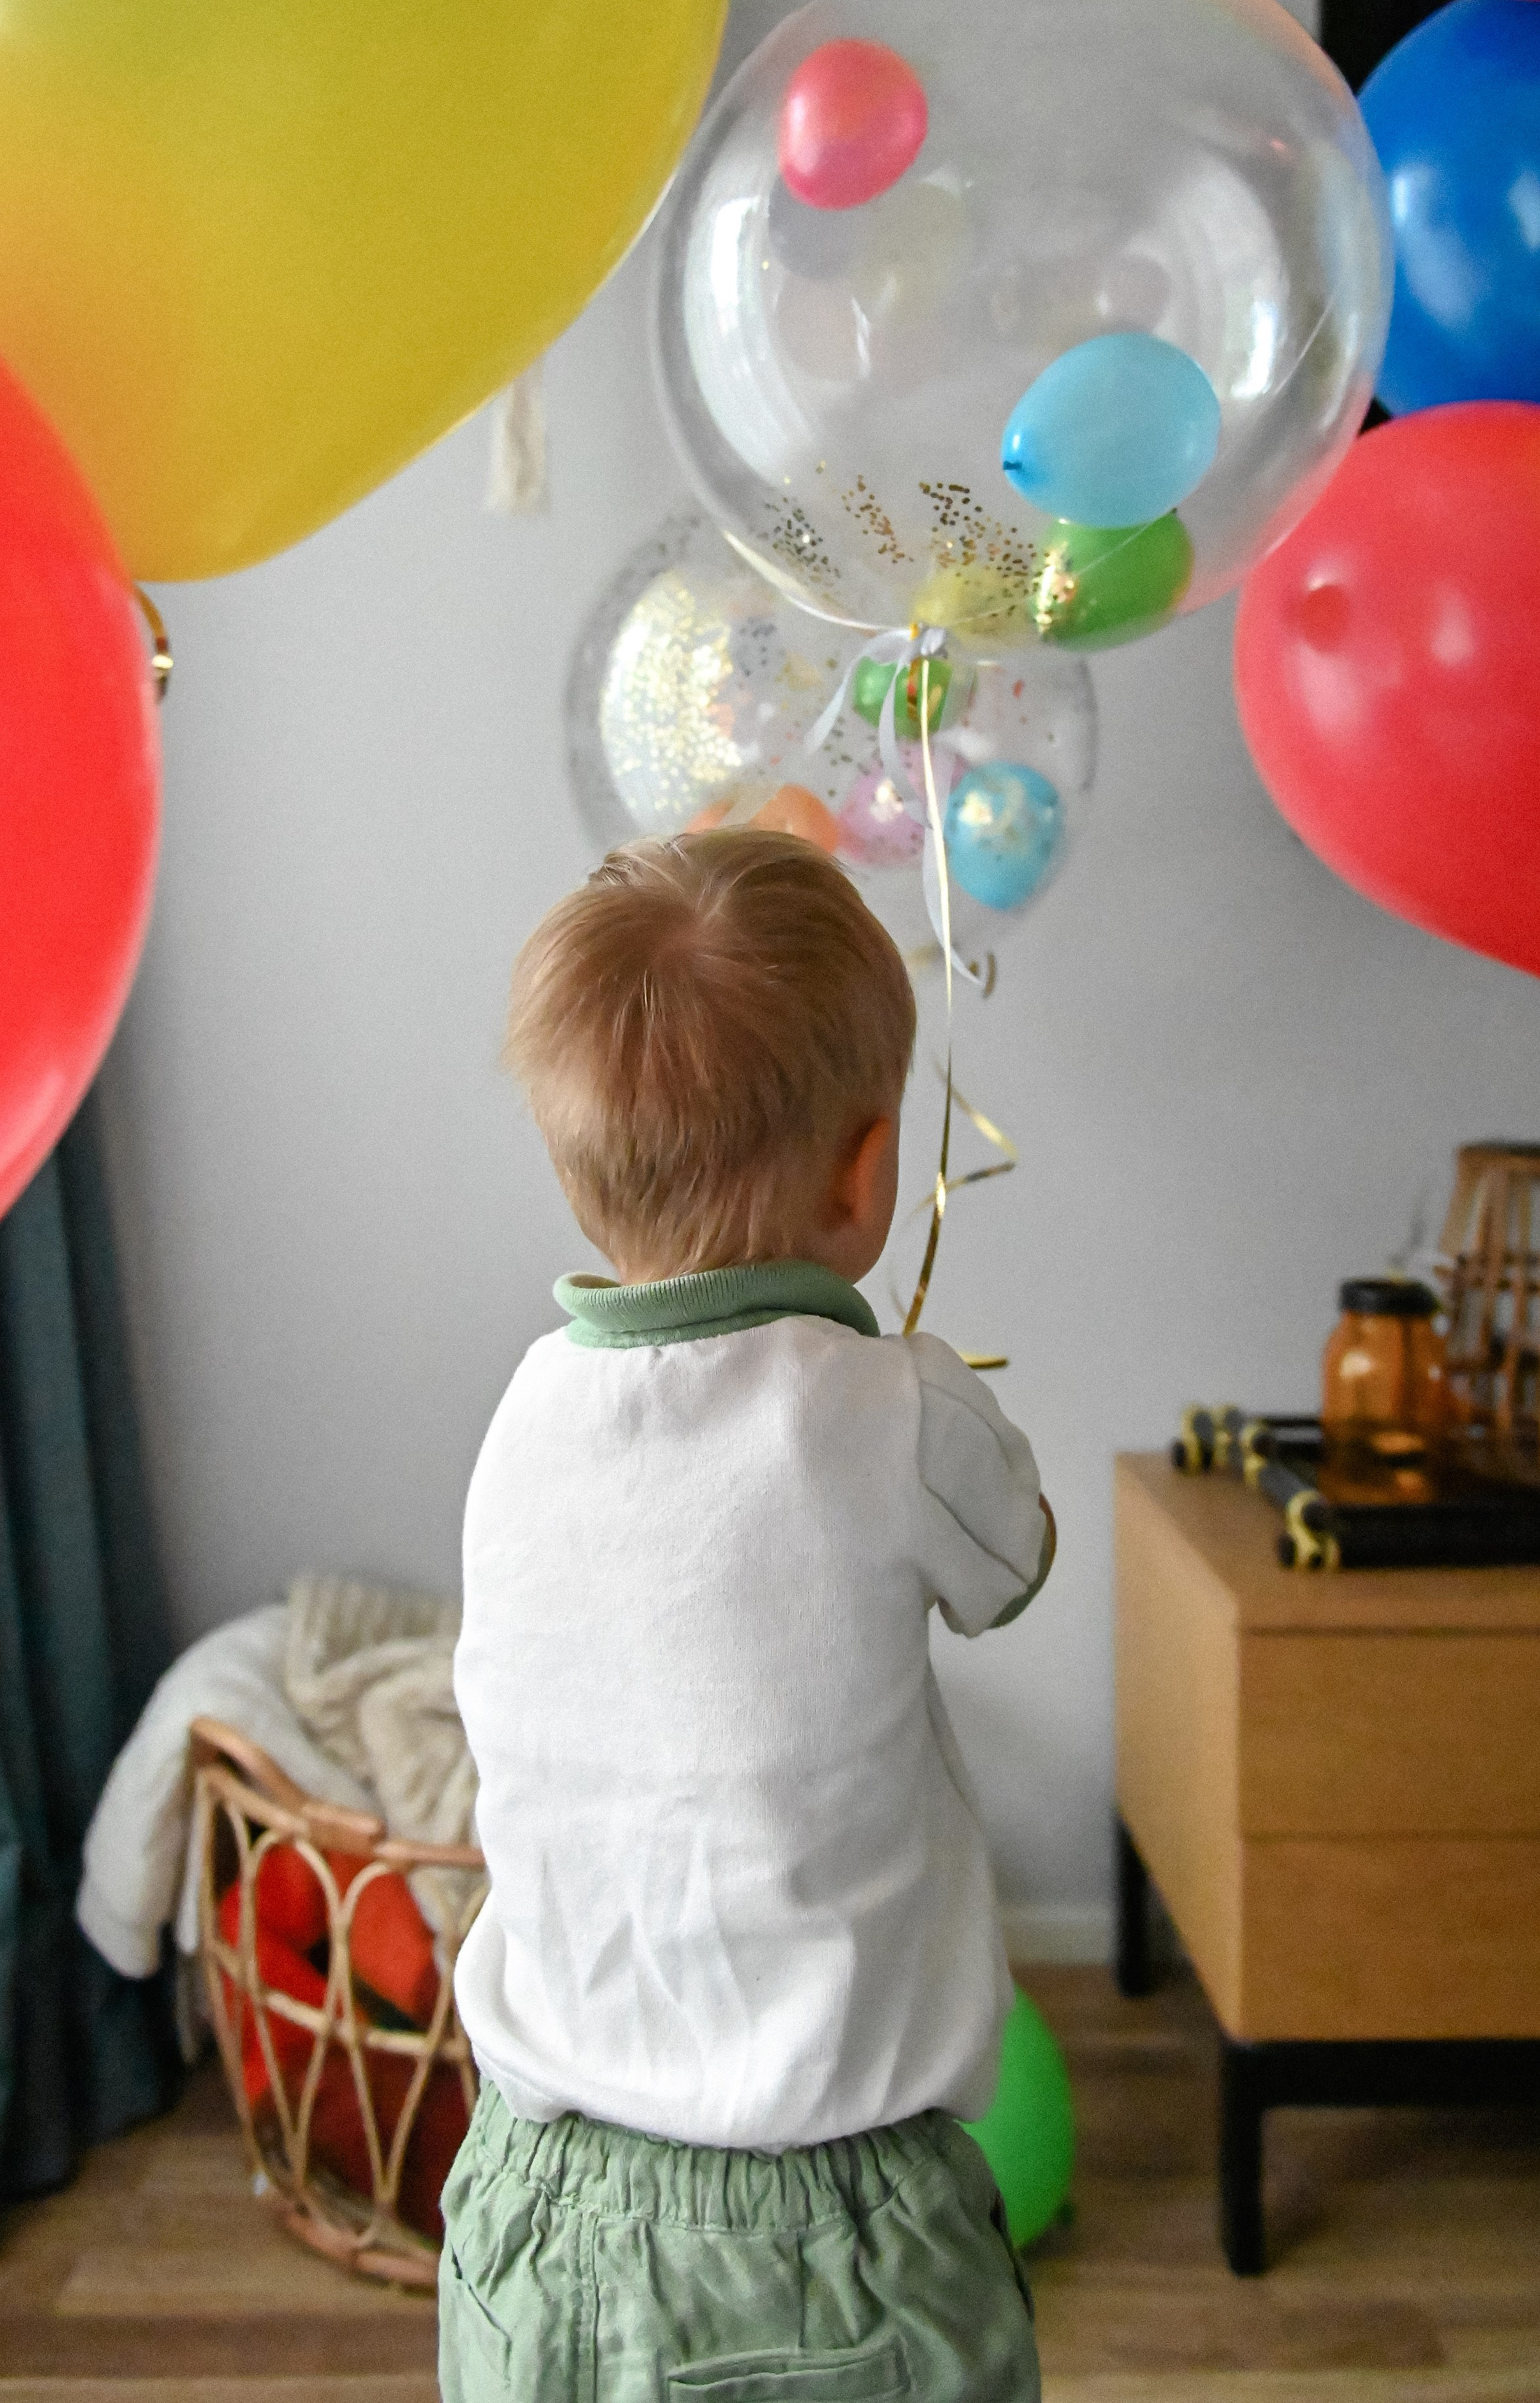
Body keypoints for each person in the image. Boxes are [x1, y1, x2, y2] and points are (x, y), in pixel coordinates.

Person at [442, 830, 1055, 2402]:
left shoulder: (522, 1408)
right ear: (867, 1176)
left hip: (525, 2205)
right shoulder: (885, 1410)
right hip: (821, 2231)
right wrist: (913, 1386)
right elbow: (1014, 1561)